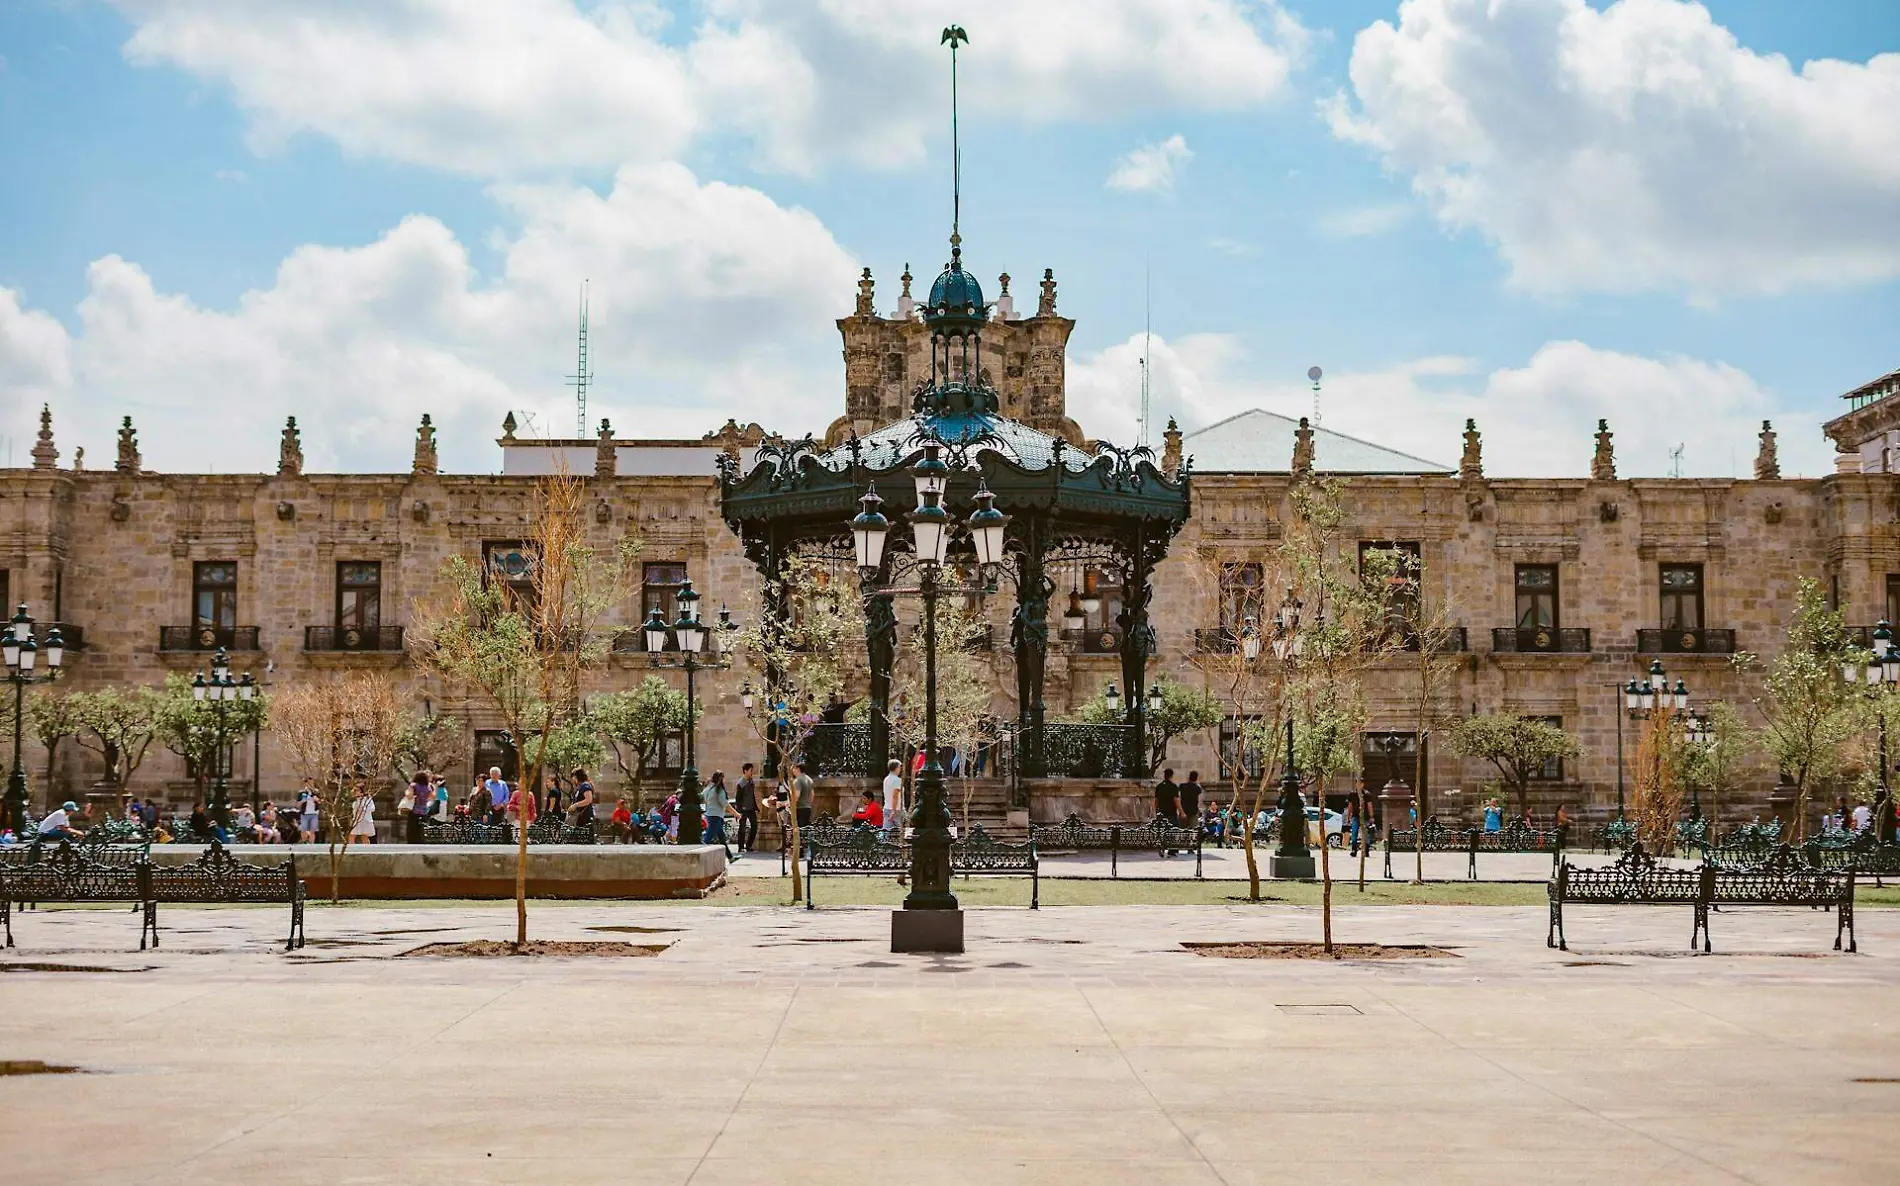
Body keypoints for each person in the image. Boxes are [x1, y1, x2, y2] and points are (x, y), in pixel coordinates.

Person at [702, 771, 732, 854]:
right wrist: (736, 813)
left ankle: (730, 857)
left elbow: (702, 797)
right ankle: (699, 855)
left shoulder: (708, 789)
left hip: (709, 815)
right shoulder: (719, 790)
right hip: (716, 816)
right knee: (708, 838)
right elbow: (725, 803)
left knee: (722, 839)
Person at [735, 762, 760, 853]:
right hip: (743, 809)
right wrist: (738, 811)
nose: (752, 772)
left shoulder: (751, 781)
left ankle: (748, 846)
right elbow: (738, 798)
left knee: (754, 826)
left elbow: (752, 795)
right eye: (751, 770)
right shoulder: (740, 784)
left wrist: (756, 807)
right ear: (745, 771)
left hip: (751, 808)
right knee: (742, 828)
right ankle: (740, 847)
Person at [881, 759, 904, 838]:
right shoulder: (897, 780)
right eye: (899, 767)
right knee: (904, 831)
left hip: (887, 808)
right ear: (896, 768)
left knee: (885, 832)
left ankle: (880, 846)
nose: (900, 770)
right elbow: (895, 796)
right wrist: (893, 811)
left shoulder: (886, 779)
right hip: (896, 809)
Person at [569, 768, 596, 833]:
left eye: (572, 777)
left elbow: (588, 799)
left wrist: (575, 805)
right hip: (580, 818)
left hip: (585, 817)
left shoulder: (585, 786)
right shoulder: (580, 787)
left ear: (576, 777)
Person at [791, 763, 815, 829]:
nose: (792, 770)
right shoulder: (810, 780)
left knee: (799, 830)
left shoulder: (797, 780)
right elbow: (812, 794)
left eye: (794, 768)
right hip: (808, 808)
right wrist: (808, 803)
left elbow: (797, 795)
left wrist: (792, 806)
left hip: (799, 808)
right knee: (806, 830)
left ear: (798, 769)